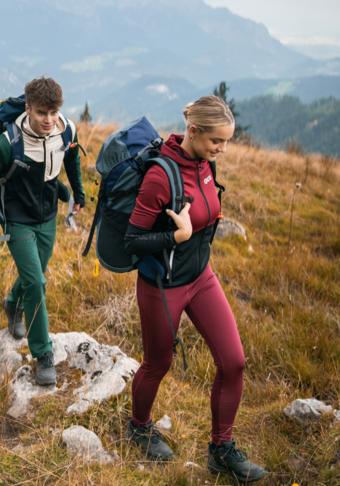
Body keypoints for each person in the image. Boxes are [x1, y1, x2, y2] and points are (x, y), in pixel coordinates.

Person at [124, 95, 265, 482]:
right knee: (158, 364)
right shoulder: (160, 176)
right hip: (163, 286)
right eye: (216, 141)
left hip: (201, 278)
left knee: (233, 362)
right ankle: (138, 426)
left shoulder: (205, 165)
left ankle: (221, 450)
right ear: (194, 131)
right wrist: (177, 235)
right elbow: (131, 240)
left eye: (226, 142)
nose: (222, 149)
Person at [0, 77, 85, 386]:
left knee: (36, 273)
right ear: (29, 108)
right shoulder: (8, 143)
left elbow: (72, 158)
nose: (49, 120)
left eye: (54, 112)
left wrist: (79, 195)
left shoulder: (66, 130)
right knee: (37, 282)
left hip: (47, 216)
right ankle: (43, 354)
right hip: (16, 218)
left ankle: (12, 302)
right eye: (42, 113)